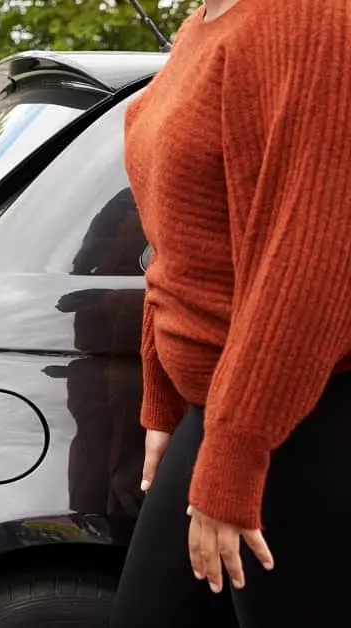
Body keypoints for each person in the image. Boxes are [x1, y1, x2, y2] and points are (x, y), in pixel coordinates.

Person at [110, 0, 351, 626]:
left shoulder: (312, 18)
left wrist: (234, 457)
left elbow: (310, 260)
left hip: (301, 417)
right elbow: (176, 229)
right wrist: (162, 395)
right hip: (221, 408)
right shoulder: (203, 24)